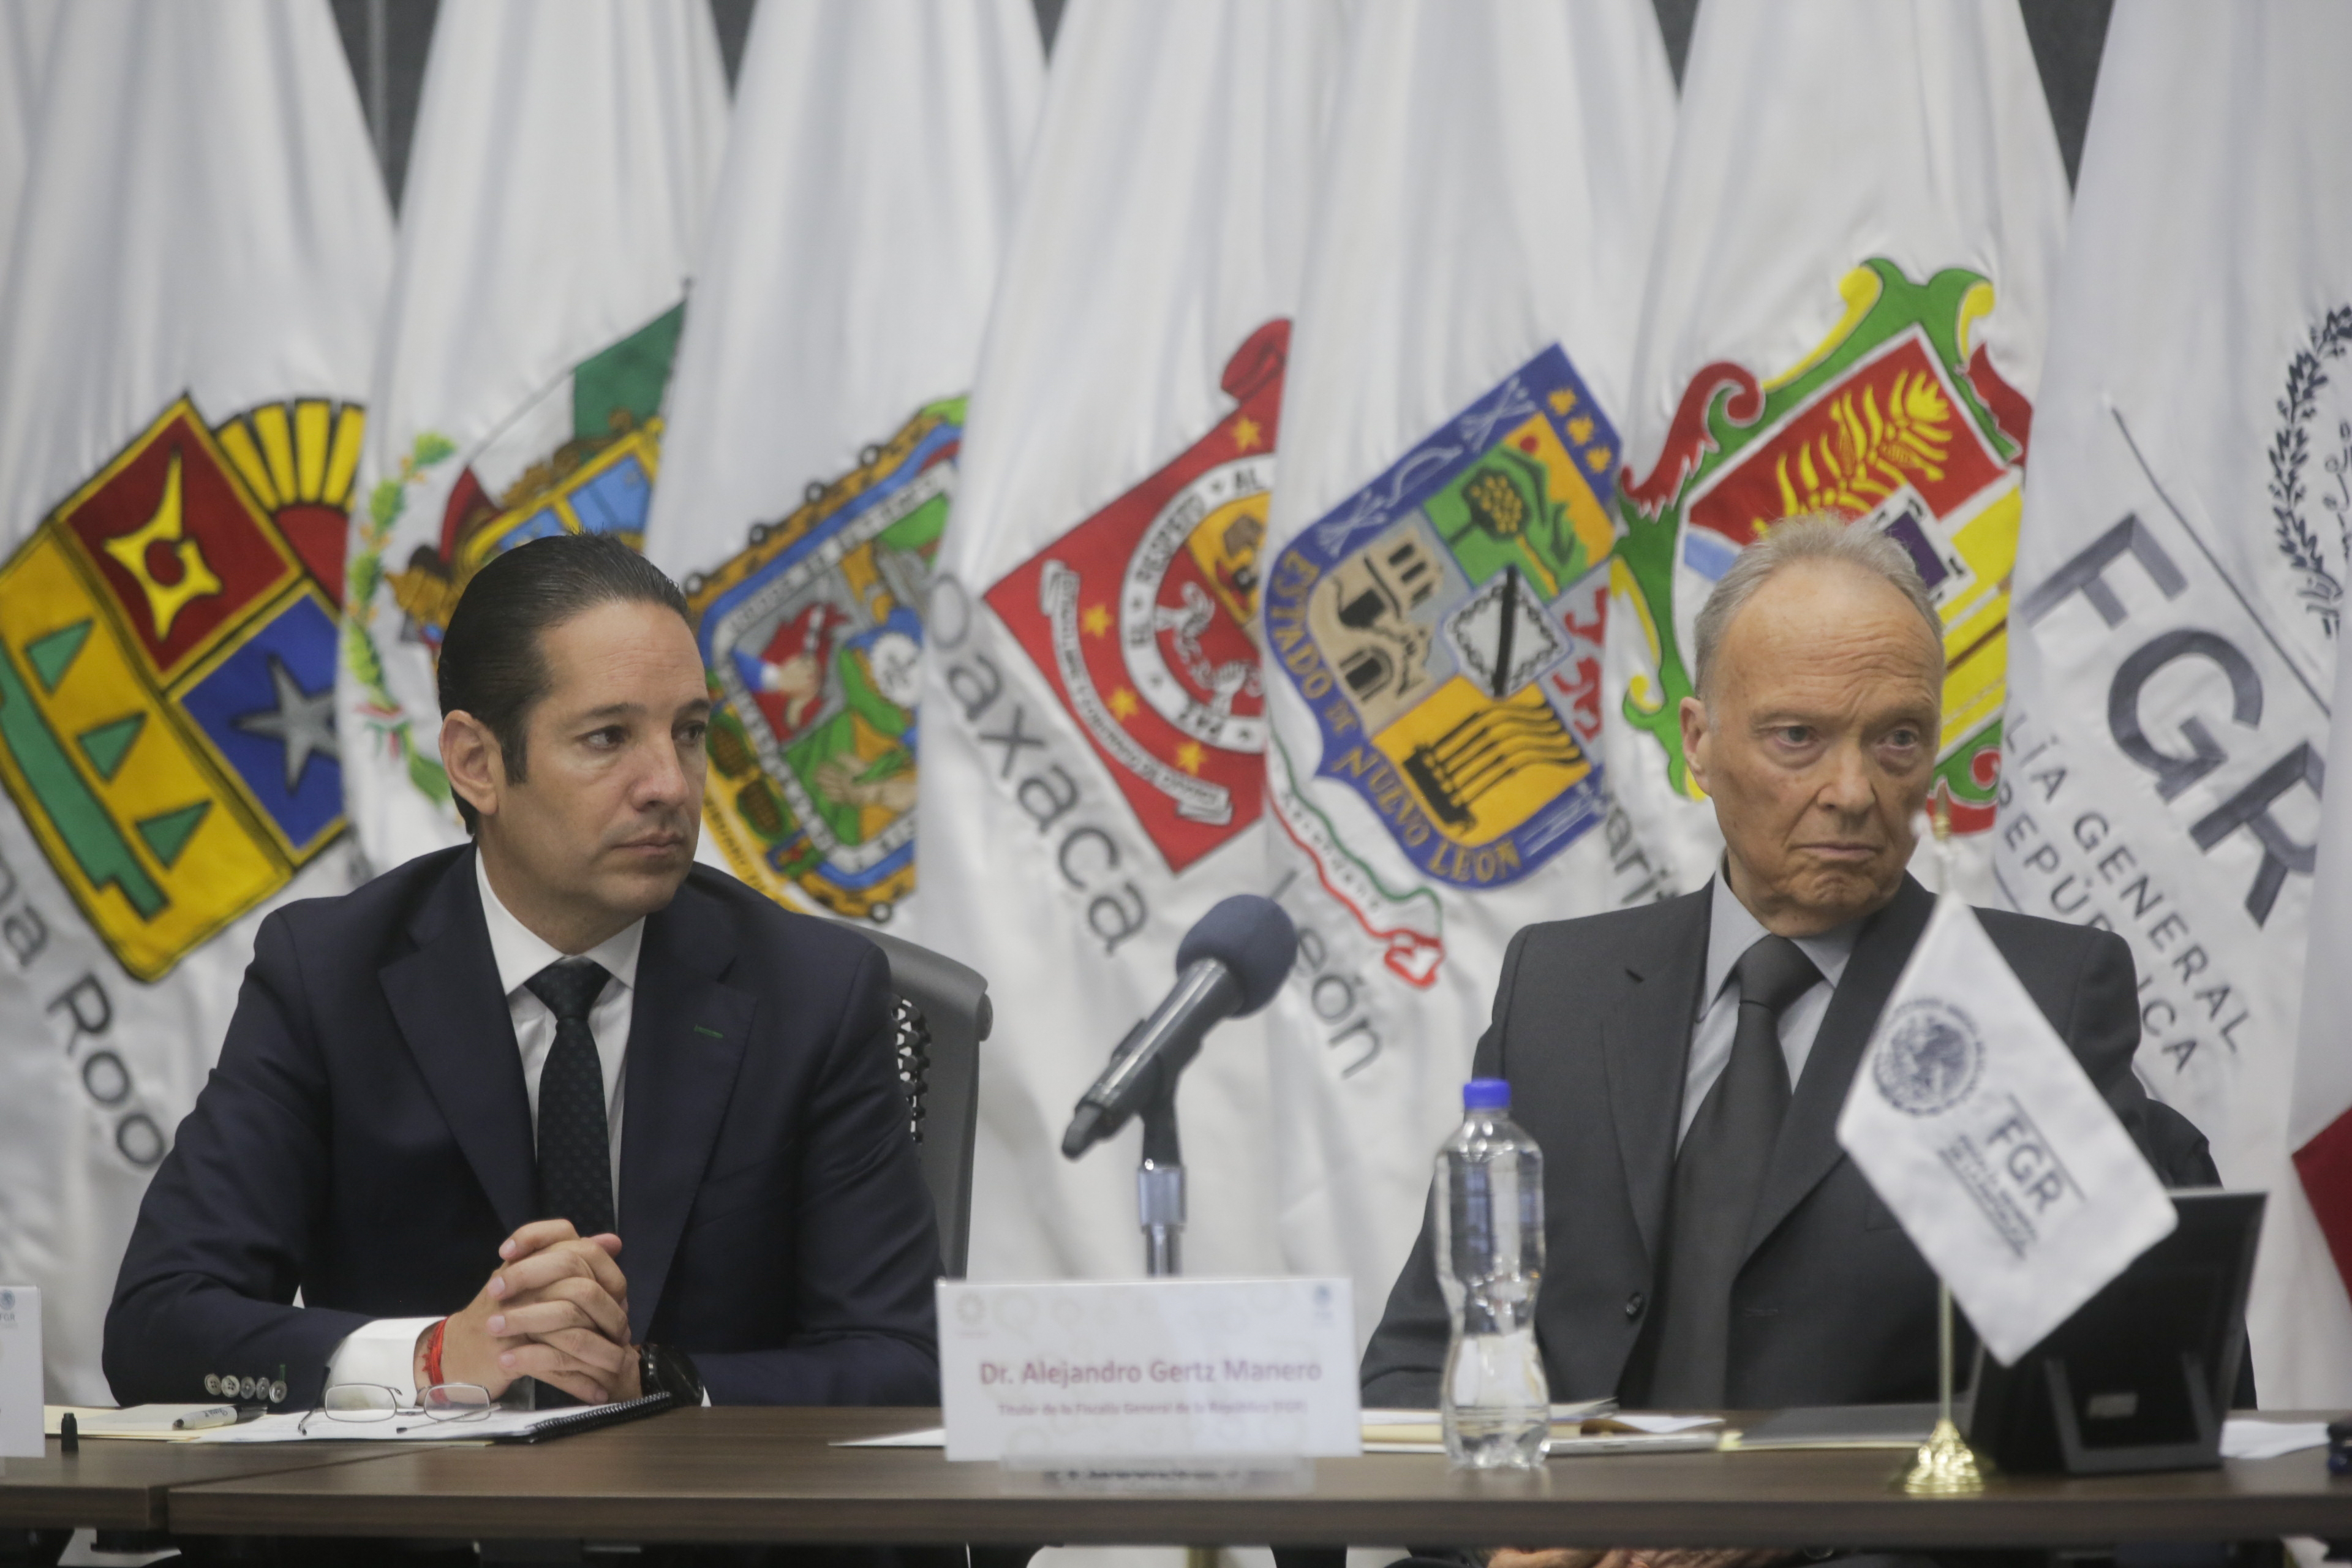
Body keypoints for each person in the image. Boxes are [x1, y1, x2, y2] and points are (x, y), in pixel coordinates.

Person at [1351, 517, 2222, 1568]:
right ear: (1698, 745)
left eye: (1897, 738)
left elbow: (2103, 1405)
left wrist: (1792, 1511)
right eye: (1797, 738)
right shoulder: (1562, 991)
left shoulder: (2025, 996)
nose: (1854, 792)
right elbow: (1415, 1368)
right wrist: (1510, 1548)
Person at [106, 533, 941, 1412]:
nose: (670, 783)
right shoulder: (329, 977)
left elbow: (902, 1361)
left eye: (689, 732)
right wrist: (434, 1359)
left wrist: (651, 1379)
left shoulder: (812, 992)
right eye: (608, 736)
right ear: (476, 764)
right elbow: (160, 1326)